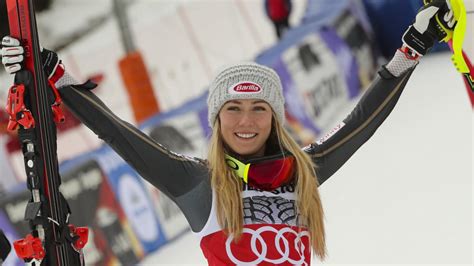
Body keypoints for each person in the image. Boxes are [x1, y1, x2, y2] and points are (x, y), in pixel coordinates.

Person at [0, 1, 456, 264]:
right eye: (233, 108)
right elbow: (120, 135)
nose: (246, 121)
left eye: (259, 108)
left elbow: (361, 124)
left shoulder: (300, 175)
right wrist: (51, 75)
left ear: (275, 118)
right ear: (217, 120)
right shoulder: (200, 185)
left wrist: (410, 49)